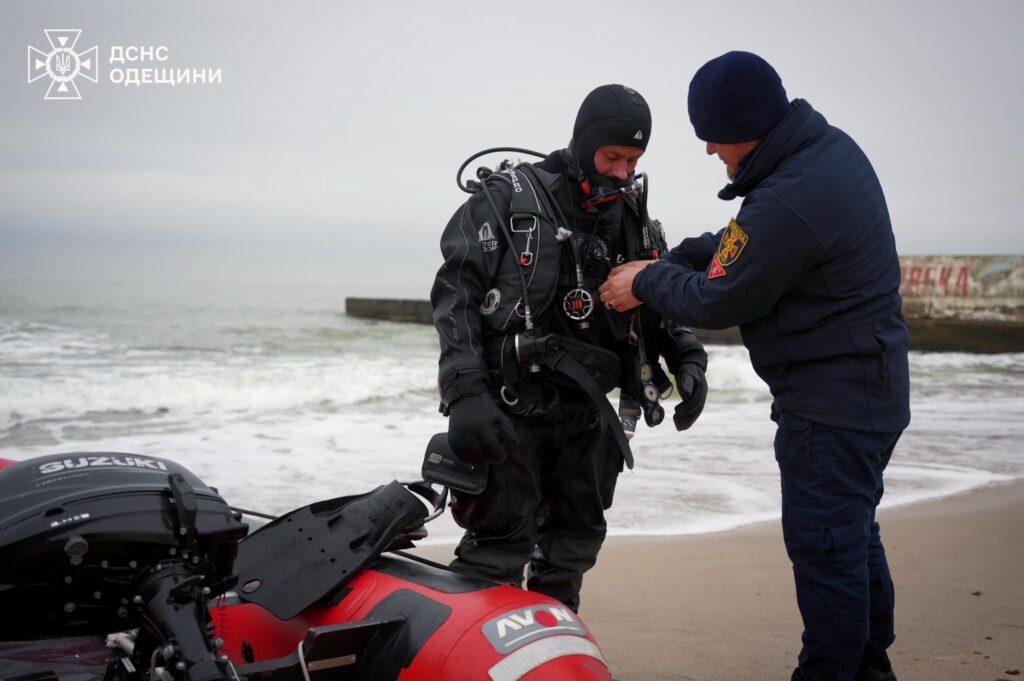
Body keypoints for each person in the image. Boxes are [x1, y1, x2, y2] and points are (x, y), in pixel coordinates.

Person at [599, 53, 910, 681]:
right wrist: (677, 254)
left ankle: (832, 671)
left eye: (713, 134)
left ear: (746, 124)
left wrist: (648, 280)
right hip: (866, 393)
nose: (711, 149)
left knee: (826, 549)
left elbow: (723, 297)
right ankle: (869, 666)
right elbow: (743, 246)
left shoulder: (795, 194)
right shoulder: (817, 156)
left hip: (832, 407)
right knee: (851, 537)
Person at [430, 84, 709, 611]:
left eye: (634, 160)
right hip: (509, 408)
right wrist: (464, 391)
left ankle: (551, 652)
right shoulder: (506, 200)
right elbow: (455, 296)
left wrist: (687, 355)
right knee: (497, 549)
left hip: (588, 418)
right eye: (613, 157)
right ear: (583, 144)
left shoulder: (635, 220)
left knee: (572, 547)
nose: (624, 172)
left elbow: (658, 293)